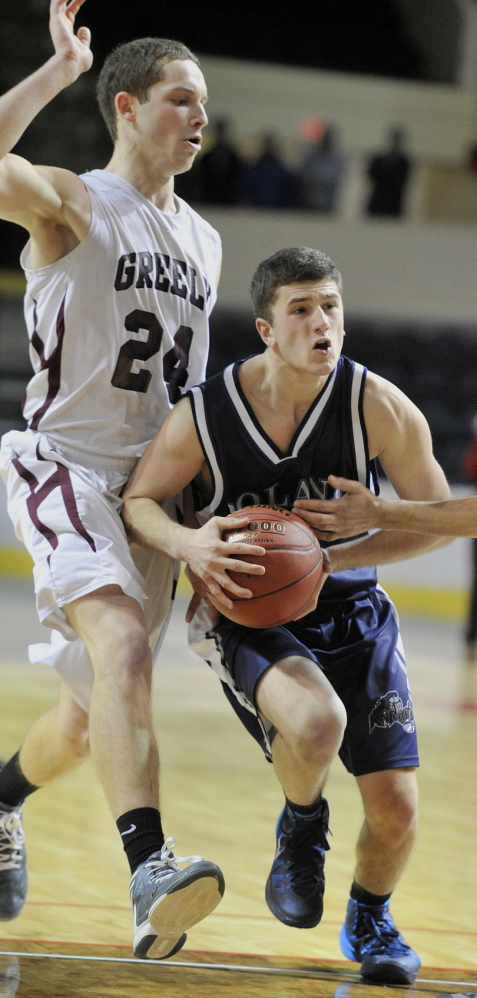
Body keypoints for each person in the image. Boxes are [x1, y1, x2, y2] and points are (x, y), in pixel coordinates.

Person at [0, 0, 263, 961]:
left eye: (205, 102)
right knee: (122, 648)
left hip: (150, 495)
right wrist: (52, 72)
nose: (201, 116)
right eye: (180, 99)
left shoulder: (203, 238)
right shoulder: (70, 200)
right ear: (125, 106)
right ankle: (150, 868)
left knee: (80, 719)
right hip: (66, 466)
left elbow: (187, 394)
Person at [122, 246, 452, 985]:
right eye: (301, 309)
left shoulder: (377, 405)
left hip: (354, 607)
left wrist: (329, 559)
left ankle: (369, 916)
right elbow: (140, 502)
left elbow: (435, 519)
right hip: (246, 612)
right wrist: (190, 544)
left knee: (396, 807)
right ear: (268, 330)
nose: (321, 322)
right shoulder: (206, 413)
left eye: (329, 306)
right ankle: (303, 827)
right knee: (314, 723)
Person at [298, 125, 346, 213]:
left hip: (327, 203)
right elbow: (304, 176)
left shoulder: (336, 158)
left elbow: (334, 179)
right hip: (308, 201)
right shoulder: (311, 156)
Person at [366, 128, 411, 218]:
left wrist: (385, 176)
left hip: (394, 204)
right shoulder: (378, 159)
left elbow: (402, 180)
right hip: (377, 202)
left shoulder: (403, 162)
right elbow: (371, 176)